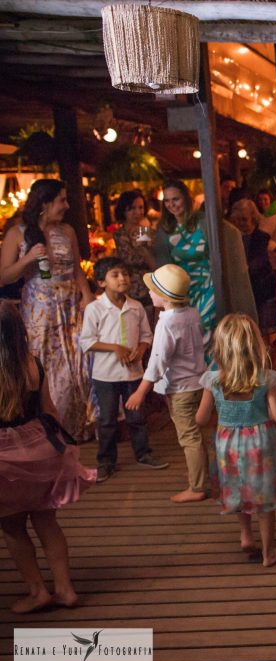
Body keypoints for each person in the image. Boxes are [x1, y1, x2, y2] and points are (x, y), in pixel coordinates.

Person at [0, 302, 95, 614]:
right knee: (47, 521)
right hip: (41, 453)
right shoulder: (32, 364)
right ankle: (65, 589)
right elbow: (50, 411)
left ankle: (38, 591)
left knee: (13, 527)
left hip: (5, 462)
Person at [196, 314, 276, 568]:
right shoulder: (266, 378)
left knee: (237, 488)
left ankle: (245, 535)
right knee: (263, 498)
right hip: (260, 444)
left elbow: (200, 418)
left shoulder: (213, 379)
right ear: (255, 345)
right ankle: (267, 553)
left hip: (227, 444)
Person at [0, 179, 95, 441]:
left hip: (69, 306)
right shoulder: (17, 233)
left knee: (76, 363)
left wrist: (87, 298)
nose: (66, 205)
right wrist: (28, 258)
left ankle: (76, 426)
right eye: (61, 200)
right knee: (45, 363)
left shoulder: (68, 231)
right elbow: (4, 276)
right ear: (44, 203)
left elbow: (77, 270)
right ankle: (47, 427)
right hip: (39, 308)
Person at [125, 264, 210, 503]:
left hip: (181, 388)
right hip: (197, 383)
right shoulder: (192, 313)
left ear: (164, 297)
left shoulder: (167, 323)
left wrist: (141, 391)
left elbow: (157, 361)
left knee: (189, 437)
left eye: (152, 290)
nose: (149, 293)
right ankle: (200, 474)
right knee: (196, 435)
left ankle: (198, 486)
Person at [80, 257, 167, 483]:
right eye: (115, 275)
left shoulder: (136, 307)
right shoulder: (95, 309)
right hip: (105, 375)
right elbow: (86, 341)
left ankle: (143, 453)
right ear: (101, 282)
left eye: (125, 274)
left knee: (136, 417)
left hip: (132, 374)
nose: (123, 279)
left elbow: (147, 335)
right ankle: (106, 461)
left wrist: (140, 349)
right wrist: (114, 348)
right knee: (107, 420)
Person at [153, 179, 256, 361]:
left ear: (186, 198)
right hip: (183, 290)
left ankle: (215, 371)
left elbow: (231, 235)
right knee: (190, 332)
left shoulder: (203, 222)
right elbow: (162, 264)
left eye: (175, 199)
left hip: (208, 285)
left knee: (207, 325)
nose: (171, 204)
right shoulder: (164, 230)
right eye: (167, 201)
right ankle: (199, 375)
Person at [229, 199, 276, 332]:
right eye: (237, 220)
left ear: (254, 218)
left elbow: (258, 262)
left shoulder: (261, 237)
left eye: (244, 219)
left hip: (262, 288)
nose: (240, 224)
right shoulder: (232, 237)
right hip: (244, 289)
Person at [110, 189, 157, 307]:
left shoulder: (147, 232)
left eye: (140, 208)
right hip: (127, 286)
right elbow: (127, 258)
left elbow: (151, 260)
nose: (137, 212)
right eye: (132, 208)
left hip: (148, 285)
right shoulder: (119, 234)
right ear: (123, 210)